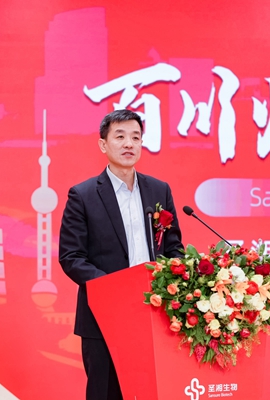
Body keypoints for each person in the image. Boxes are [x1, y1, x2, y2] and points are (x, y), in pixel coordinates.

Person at [59, 109, 183, 400]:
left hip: (154, 315)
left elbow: (173, 248)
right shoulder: (83, 195)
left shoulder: (159, 190)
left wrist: (170, 281)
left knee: (155, 391)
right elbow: (71, 256)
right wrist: (115, 289)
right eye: (120, 136)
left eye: (136, 137)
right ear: (103, 145)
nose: (129, 144)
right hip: (103, 316)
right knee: (106, 393)